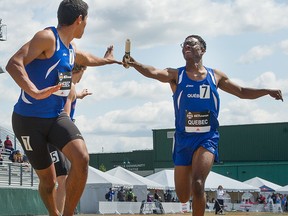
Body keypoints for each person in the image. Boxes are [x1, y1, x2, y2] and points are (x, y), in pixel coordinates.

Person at [124, 34, 283, 216]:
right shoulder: (176, 75)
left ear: (203, 49)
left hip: (207, 137)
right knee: (183, 196)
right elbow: (152, 72)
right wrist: (134, 63)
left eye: (192, 43)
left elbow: (241, 91)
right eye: (184, 44)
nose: (187, 46)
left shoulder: (215, 76)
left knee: (198, 184)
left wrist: (266, 91)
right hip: (183, 140)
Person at [5, 0, 121, 215]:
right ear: (80, 20)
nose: (86, 25)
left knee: (82, 158)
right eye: (86, 21)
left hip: (56, 117)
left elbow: (85, 58)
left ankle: (67, 214)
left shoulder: (70, 48)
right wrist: (34, 91)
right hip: (28, 120)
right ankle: (54, 213)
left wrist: (106, 60)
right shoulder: (47, 37)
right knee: (48, 183)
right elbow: (13, 63)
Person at [49, 64, 91, 215]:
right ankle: (60, 212)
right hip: (58, 135)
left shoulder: (66, 83)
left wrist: (79, 95)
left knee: (60, 179)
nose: (81, 78)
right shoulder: (70, 86)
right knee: (61, 179)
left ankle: (58, 212)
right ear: (78, 71)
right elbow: (64, 113)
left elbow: (69, 97)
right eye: (82, 74)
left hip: (51, 133)